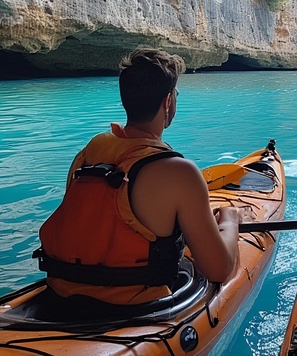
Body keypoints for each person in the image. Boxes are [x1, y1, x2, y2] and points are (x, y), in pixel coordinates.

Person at [37, 47, 239, 303]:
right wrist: (230, 221)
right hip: (135, 307)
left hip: (62, 295)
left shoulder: (87, 155)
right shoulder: (180, 173)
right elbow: (218, 270)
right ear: (168, 102)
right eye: (175, 95)